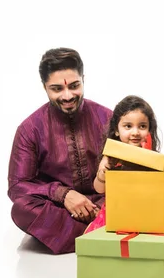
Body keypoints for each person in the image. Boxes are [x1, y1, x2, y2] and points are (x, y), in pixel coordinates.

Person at [7, 47, 112, 254]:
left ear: (83, 79)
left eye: (74, 86)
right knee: (21, 209)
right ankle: (100, 231)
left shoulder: (107, 118)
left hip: (105, 203)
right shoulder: (30, 129)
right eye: (57, 89)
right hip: (62, 210)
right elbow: (17, 186)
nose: (67, 95)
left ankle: (75, 234)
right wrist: (63, 194)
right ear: (44, 87)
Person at [84, 95, 159, 233]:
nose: (135, 132)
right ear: (117, 130)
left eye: (142, 126)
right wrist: (102, 172)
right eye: (128, 126)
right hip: (116, 212)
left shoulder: (153, 158)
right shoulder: (112, 157)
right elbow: (99, 189)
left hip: (143, 212)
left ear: (149, 130)